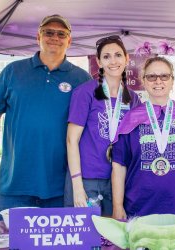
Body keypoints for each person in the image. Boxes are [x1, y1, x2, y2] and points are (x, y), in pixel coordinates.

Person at [0, 14, 91, 220]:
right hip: (15, 186)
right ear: (38, 37)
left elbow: (92, 130)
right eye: (48, 32)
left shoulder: (82, 79)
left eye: (61, 34)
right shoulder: (13, 72)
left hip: (62, 188)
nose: (54, 37)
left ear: (69, 41)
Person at [111, 57, 175, 219]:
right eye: (151, 76)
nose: (158, 81)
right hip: (139, 208)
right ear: (143, 81)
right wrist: (117, 206)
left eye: (164, 76)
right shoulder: (131, 119)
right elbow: (119, 165)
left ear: (172, 81)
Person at [64, 35, 140, 216]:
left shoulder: (133, 98)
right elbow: (71, 140)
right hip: (88, 179)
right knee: (86, 241)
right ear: (98, 61)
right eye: (106, 56)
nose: (113, 61)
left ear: (126, 58)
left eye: (118, 55)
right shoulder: (86, 92)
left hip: (119, 179)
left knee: (114, 239)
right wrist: (77, 186)